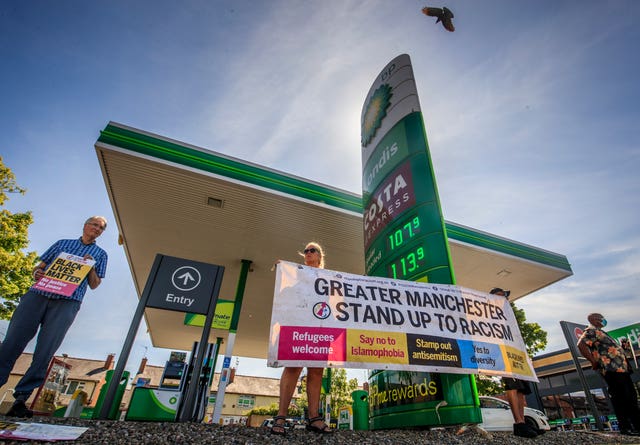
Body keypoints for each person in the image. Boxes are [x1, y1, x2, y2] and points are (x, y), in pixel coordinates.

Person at [0, 216, 109, 418]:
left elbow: (94, 284)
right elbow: (39, 267)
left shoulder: (101, 254)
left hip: (68, 302)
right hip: (38, 296)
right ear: (85, 225)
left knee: (45, 350)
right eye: (94, 225)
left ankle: (21, 399)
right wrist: (38, 273)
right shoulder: (62, 244)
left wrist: (90, 266)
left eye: (101, 228)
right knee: (11, 343)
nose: (97, 229)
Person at [271, 242, 332, 436]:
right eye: (305, 251)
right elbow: (285, 298)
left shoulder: (329, 279)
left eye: (312, 250)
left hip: (320, 329)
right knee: (293, 367)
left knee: (316, 371)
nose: (308, 253)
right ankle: (281, 416)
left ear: (319, 256)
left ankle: (314, 418)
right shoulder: (296, 276)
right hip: (298, 328)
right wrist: (283, 271)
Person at [577, 313, 640, 436]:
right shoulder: (591, 331)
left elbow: (609, 349)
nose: (603, 320)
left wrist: (622, 347)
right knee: (621, 398)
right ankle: (626, 427)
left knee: (631, 397)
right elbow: (581, 344)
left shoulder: (602, 332)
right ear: (594, 320)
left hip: (622, 369)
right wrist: (593, 361)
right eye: (601, 318)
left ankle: (637, 425)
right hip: (611, 369)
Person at [489, 287, 538, 438]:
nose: (503, 298)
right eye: (499, 296)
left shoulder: (509, 314)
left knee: (522, 389)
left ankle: (522, 423)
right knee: (512, 386)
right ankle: (518, 421)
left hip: (517, 354)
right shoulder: (489, 313)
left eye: (504, 296)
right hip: (503, 353)